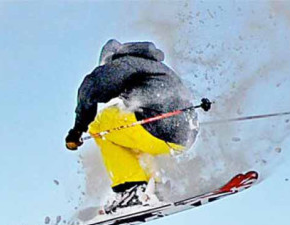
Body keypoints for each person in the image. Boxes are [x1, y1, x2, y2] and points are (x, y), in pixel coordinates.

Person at [65, 40, 200, 213]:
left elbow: (90, 89)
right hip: (185, 136)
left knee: (100, 124)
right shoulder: (157, 67)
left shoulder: (122, 64)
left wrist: (77, 131)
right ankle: (153, 188)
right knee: (125, 128)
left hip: (159, 129)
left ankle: (131, 189)